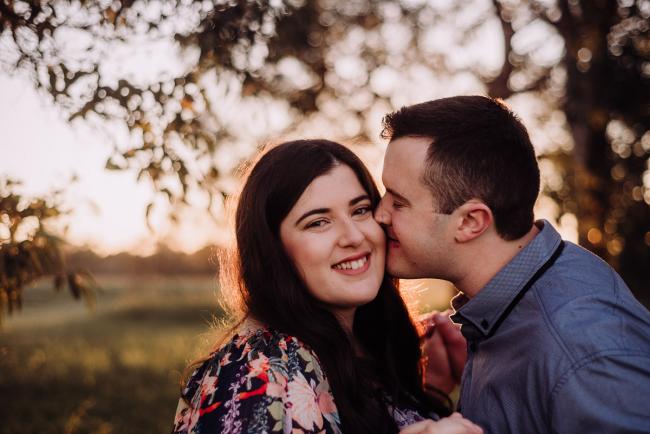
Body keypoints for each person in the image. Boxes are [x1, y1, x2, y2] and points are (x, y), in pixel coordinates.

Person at [375, 95, 650, 433]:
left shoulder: (583, 350)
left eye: (398, 201)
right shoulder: (511, 311)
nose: (379, 213)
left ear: (470, 222)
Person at [171, 139, 483, 434]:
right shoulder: (262, 368)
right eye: (318, 222)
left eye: (360, 210)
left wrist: (431, 387)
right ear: (273, 250)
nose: (353, 236)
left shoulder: (354, 354)